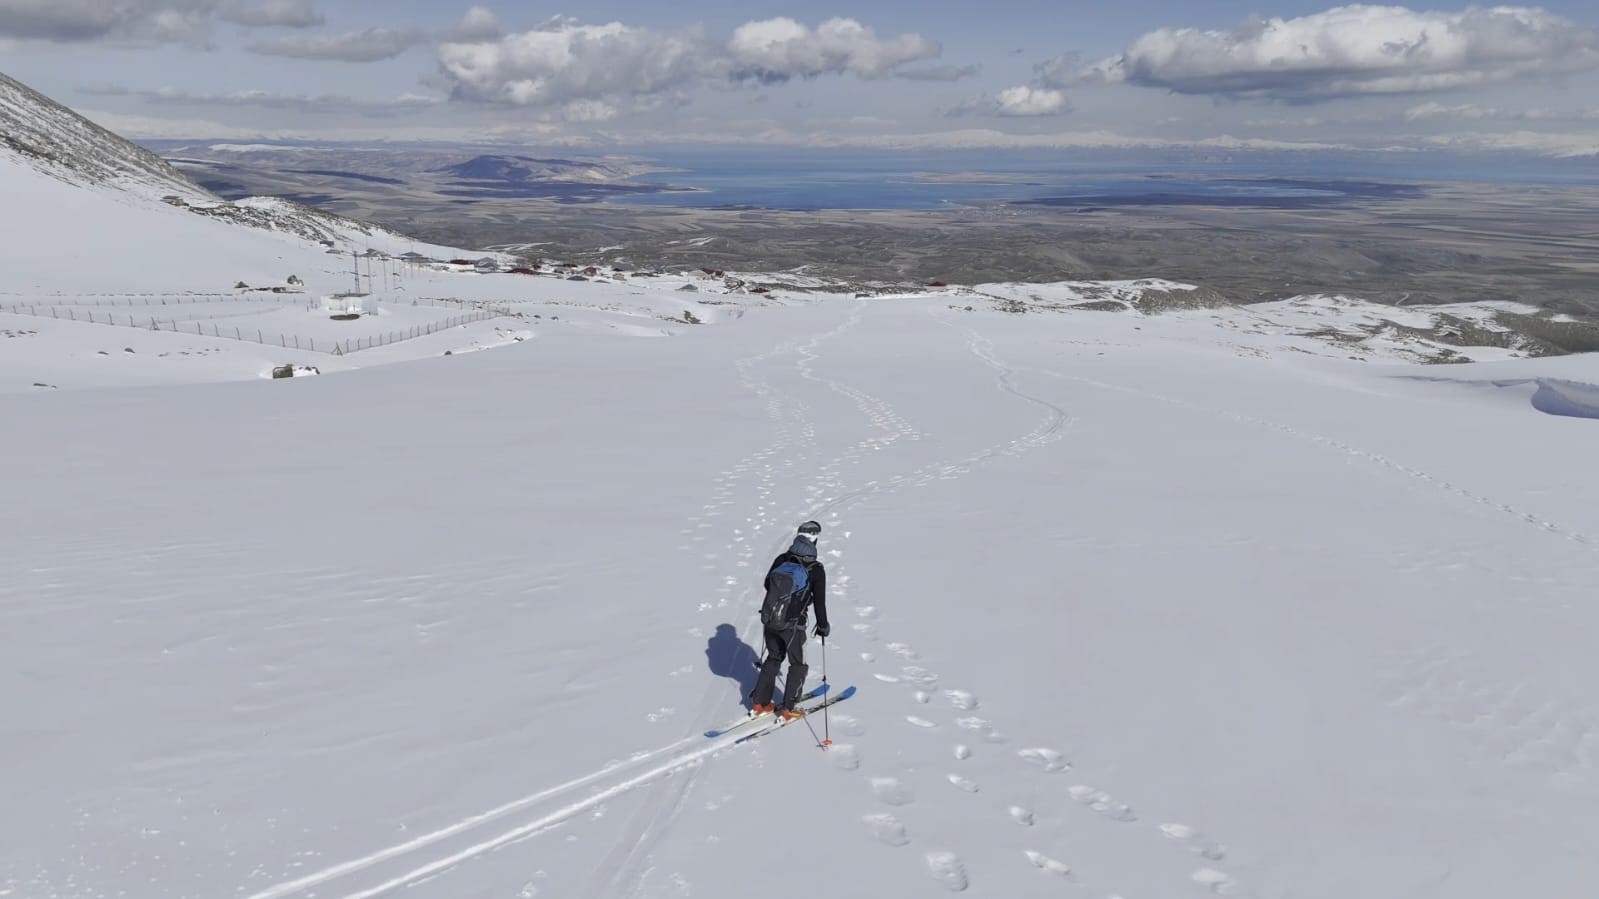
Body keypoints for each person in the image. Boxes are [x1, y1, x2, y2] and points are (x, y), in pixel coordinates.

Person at [751, 520, 830, 719]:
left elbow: (767, 583)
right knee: (798, 664)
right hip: (794, 624)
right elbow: (819, 602)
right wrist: (823, 626)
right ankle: (789, 707)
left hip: (770, 619)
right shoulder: (815, 568)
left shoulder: (781, 559)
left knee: (773, 658)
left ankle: (760, 703)